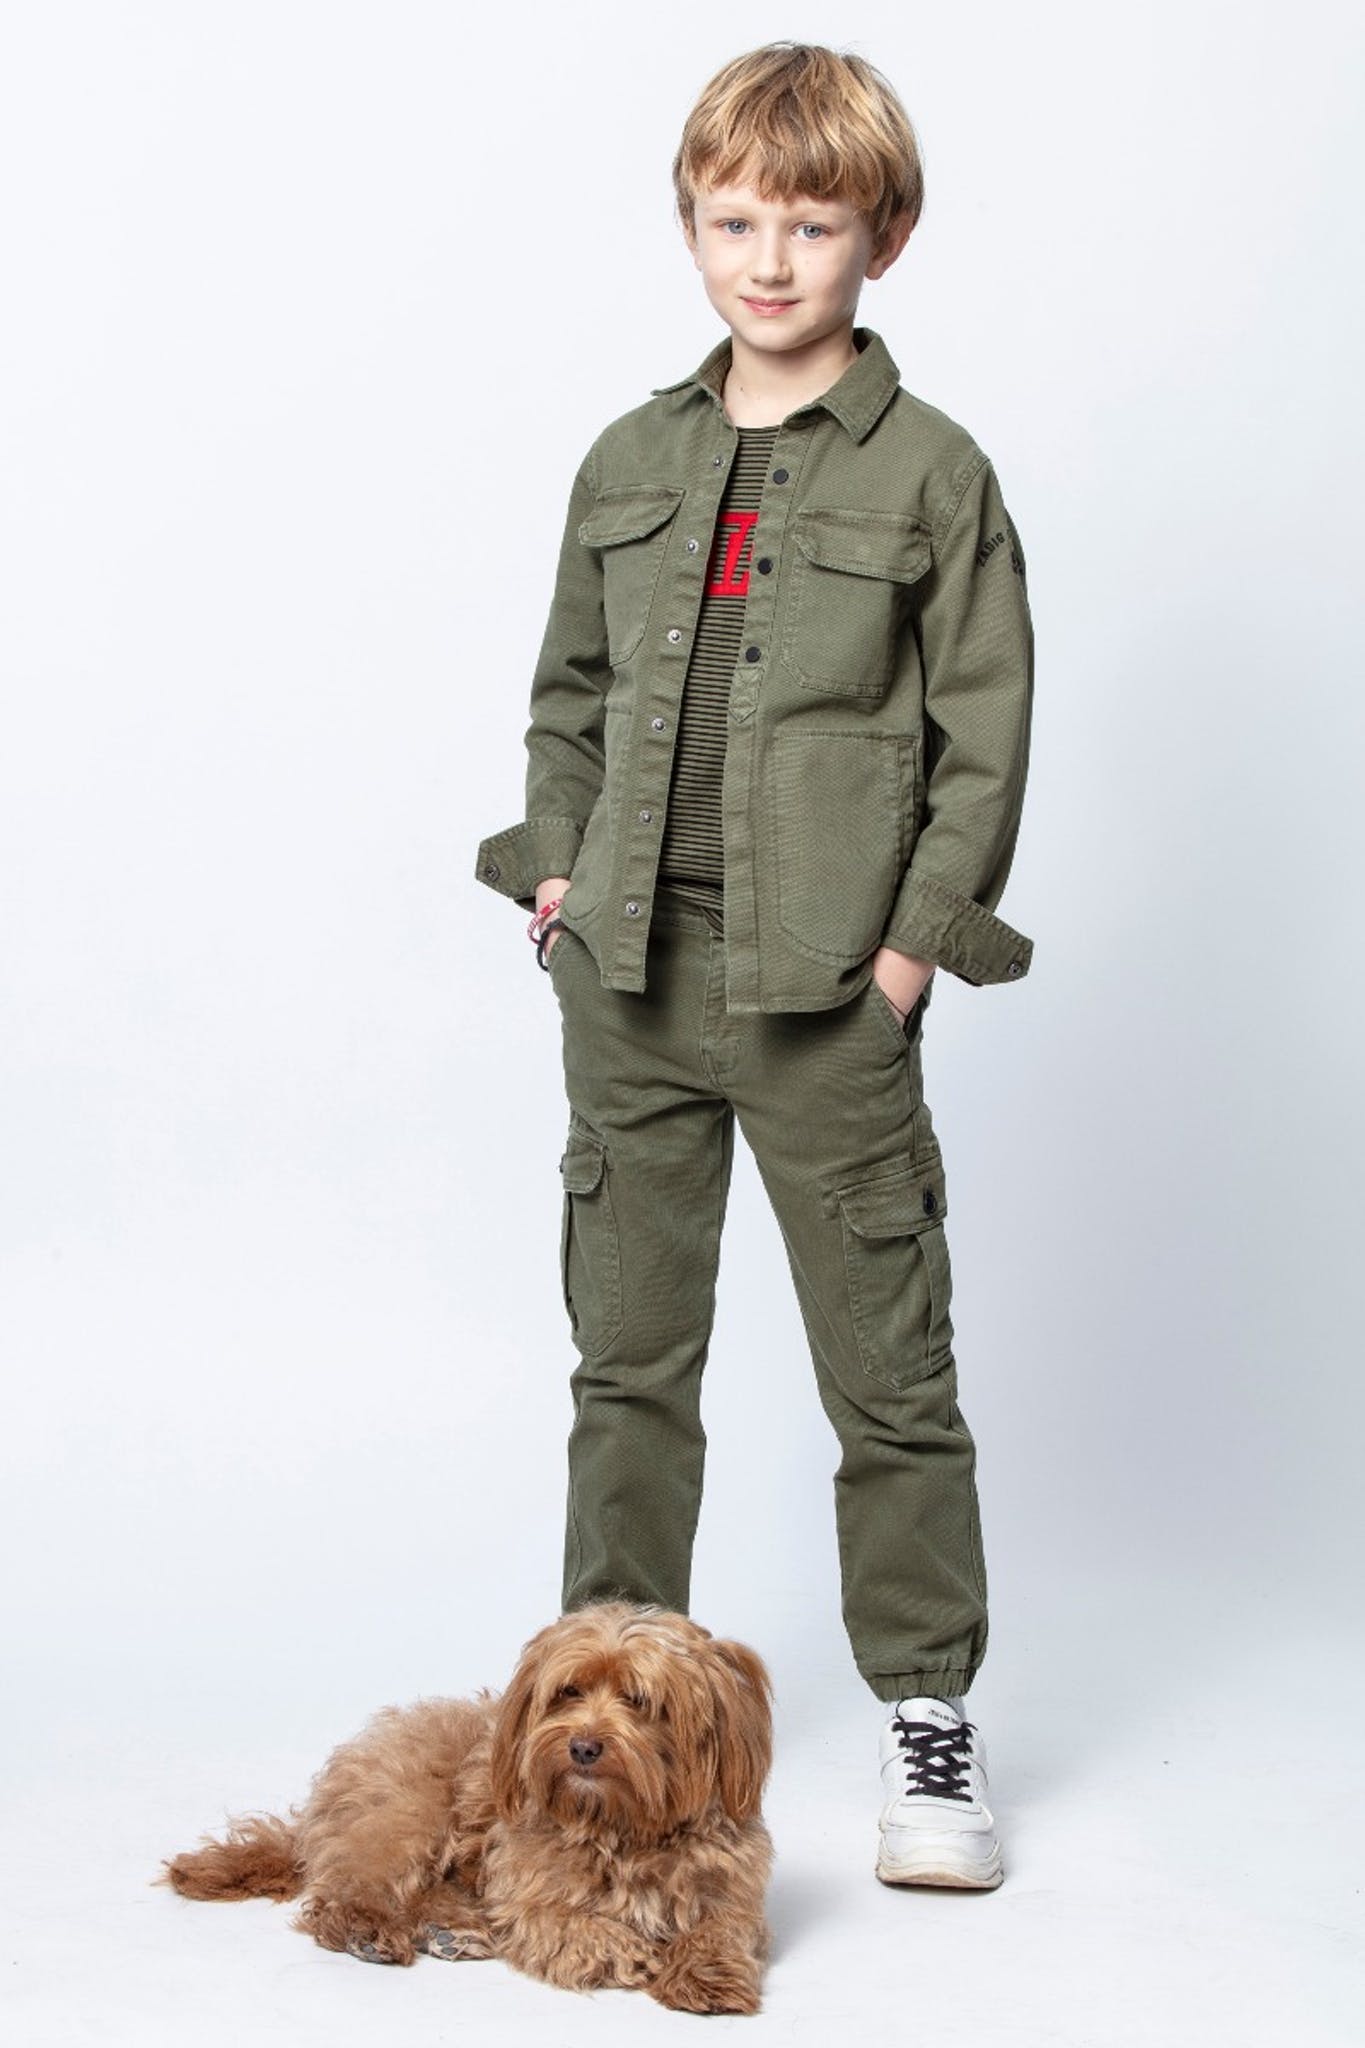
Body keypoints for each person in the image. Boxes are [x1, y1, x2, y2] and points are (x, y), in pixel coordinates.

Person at [474, 40, 1035, 1891]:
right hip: (628, 983)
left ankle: (927, 1719)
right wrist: (559, 873)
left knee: (889, 1381)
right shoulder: (629, 459)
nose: (769, 261)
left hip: (824, 1003)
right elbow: (567, 696)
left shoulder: (935, 474)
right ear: (690, 228)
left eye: (809, 224)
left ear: (884, 235)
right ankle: (593, 1742)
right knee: (627, 1371)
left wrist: (906, 962)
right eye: (733, 222)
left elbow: (979, 741)